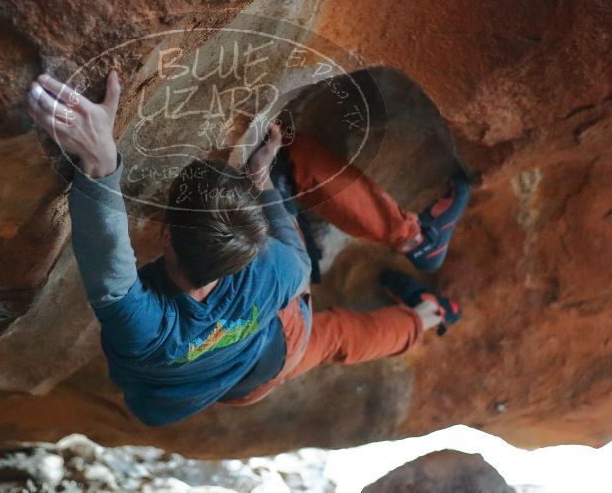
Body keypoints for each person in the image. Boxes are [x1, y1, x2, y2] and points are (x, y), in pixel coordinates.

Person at [26, 71, 470, 426]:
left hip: (243, 383)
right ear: (251, 249)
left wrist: (101, 158)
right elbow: (110, 270)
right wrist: (261, 184)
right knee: (290, 157)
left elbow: (110, 263)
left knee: (339, 337)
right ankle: (413, 239)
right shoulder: (271, 271)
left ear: (166, 235)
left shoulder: (147, 328)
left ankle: (427, 316)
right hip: (280, 342)